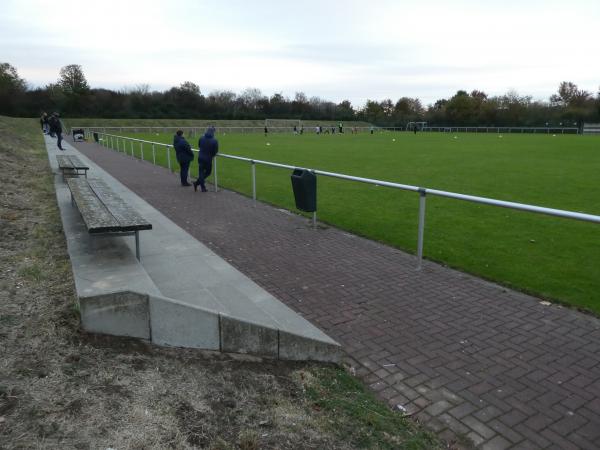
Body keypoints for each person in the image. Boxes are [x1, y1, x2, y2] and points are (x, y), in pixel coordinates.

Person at [194, 127, 219, 192]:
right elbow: (215, 151)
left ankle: (200, 186)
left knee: (201, 173)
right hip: (208, 159)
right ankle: (198, 184)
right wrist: (212, 155)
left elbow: (199, 146)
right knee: (208, 172)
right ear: (213, 132)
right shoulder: (214, 140)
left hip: (200, 157)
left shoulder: (201, 138)